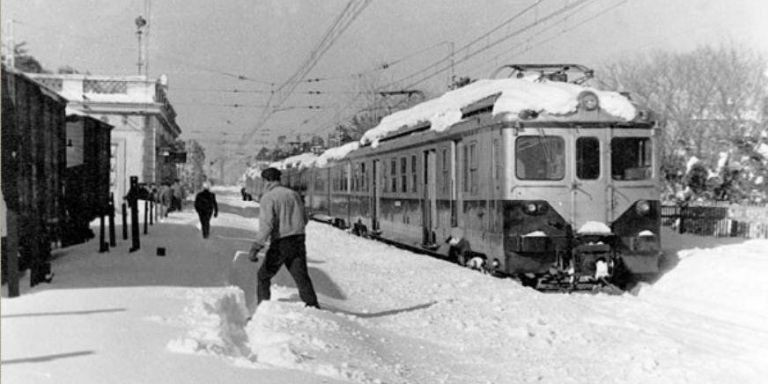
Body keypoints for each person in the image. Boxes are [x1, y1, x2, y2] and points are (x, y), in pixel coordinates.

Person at [249, 167, 319, 310]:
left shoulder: (268, 197)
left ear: (266, 181)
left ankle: (262, 309)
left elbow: (266, 225)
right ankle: (313, 306)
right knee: (301, 276)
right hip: (298, 240)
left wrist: (256, 246)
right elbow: (304, 219)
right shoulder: (294, 194)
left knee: (263, 276)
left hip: (281, 242)